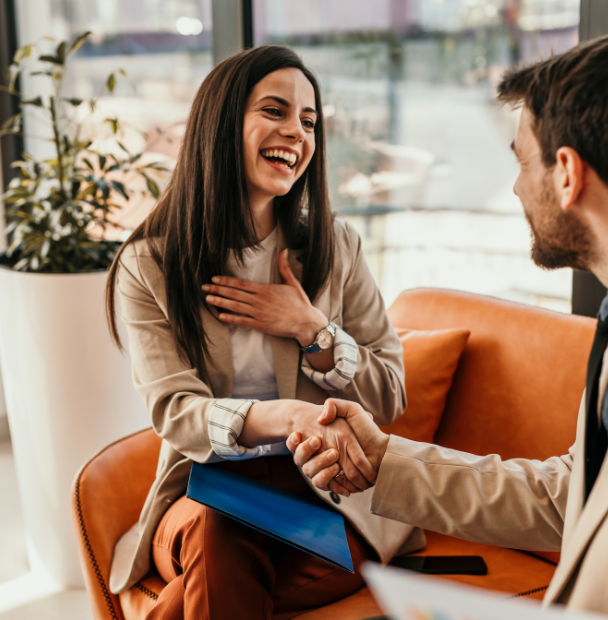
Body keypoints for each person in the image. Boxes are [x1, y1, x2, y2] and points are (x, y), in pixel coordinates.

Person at [290, 32, 608, 620]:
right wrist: (385, 460)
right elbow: (569, 499)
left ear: (566, 173)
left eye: (520, 160)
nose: (514, 187)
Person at [103, 46, 420, 620]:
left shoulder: (336, 246)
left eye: (308, 120)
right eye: (274, 111)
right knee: (220, 530)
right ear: (221, 124)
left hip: (321, 492)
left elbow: (390, 393)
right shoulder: (148, 264)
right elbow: (176, 410)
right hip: (206, 490)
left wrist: (313, 330)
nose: (295, 132)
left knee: (216, 584)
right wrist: (288, 417)